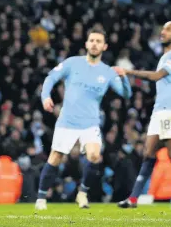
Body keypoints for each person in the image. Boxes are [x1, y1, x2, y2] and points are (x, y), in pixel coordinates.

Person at [35, 28, 132, 210]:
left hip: (90, 123)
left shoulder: (107, 72)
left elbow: (125, 94)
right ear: (87, 44)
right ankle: (41, 198)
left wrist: (124, 78)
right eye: (92, 40)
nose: (94, 44)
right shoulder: (72, 63)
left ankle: (82, 193)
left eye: (98, 41)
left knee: (95, 156)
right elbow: (51, 77)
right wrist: (45, 97)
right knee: (55, 158)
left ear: (104, 46)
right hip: (68, 121)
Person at [118, 21, 171, 209]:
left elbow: (156, 76)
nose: (163, 31)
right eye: (163, 28)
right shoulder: (165, 56)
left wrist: (129, 71)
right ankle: (134, 199)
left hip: (170, 108)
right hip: (159, 109)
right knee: (148, 153)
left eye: (168, 29)